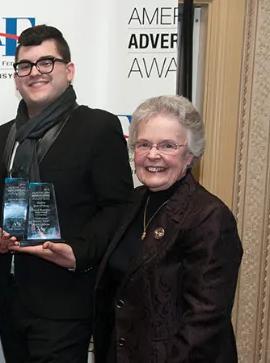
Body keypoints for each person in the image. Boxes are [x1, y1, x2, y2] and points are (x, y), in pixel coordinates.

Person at [0, 24, 133, 362]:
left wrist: (78, 251)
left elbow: (117, 207)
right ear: (16, 78)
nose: (35, 73)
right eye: (25, 66)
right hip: (11, 302)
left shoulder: (97, 128)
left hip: (66, 300)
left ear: (69, 71)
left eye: (47, 63)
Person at [93, 95, 243, 363]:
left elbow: (204, 321)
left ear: (190, 155)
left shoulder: (209, 217)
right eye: (144, 144)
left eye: (167, 145)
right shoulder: (136, 201)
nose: (153, 155)